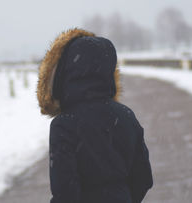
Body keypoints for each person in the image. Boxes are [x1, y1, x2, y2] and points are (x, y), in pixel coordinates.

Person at [37, 28, 153, 203]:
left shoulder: (64, 125)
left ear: (68, 70)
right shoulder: (126, 116)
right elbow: (143, 178)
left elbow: (65, 191)